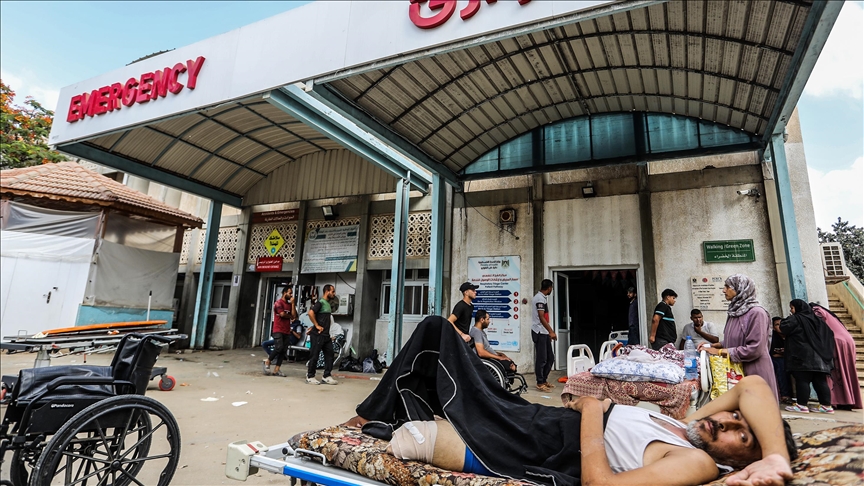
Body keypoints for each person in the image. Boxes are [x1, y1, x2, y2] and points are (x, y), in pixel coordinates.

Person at [346, 316, 797, 486]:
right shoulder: (688, 428)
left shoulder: (699, 462)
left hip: (540, 441)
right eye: (737, 418)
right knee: (439, 333)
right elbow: (754, 389)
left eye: (743, 438)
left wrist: (593, 409)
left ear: (742, 464)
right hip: (538, 418)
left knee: (437, 348)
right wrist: (775, 455)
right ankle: (375, 413)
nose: (728, 422)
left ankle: (372, 419)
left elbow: (599, 484)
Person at [704, 274, 779, 402]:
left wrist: (720, 352)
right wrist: (717, 345)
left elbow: (755, 348)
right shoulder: (735, 312)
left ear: (740, 289)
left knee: (756, 408)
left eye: (728, 287)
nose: (723, 290)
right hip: (737, 370)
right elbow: (738, 338)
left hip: (754, 371)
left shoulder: (756, 313)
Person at [780, 300, 835, 414]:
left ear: (797, 308)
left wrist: (790, 317)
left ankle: (802, 405)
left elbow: (783, 327)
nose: (791, 310)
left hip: (803, 357)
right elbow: (829, 333)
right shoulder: (818, 320)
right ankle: (826, 406)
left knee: (802, 380)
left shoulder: (796, 319)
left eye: (792, 308)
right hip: (821, 357)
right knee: (820, 381)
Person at [810, 302, 863, 410]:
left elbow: (818, 323)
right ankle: (848, 400)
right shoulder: (830, 314)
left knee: (834, 371)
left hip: (836, 341)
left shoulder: (816, 310)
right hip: (847, 341)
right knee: (846, 371)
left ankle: (835, 400)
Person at [306, 284, 338, 385]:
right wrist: (316, 325)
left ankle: (326, 376)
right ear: (327, 291)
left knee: (330, 355)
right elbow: (311, 313)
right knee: (314, 355)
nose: (334, 294)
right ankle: (310, 376)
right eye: (332, 291)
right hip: (318, 335)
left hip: (326, 336)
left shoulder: (327, 304)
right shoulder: (320, 303)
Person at [265, 287, 297, 377]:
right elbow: (282, 314)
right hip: (278, 329)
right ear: (284, 293)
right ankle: (268, 361)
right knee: (279, 347)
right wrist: (290, 316)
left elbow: (294, 315)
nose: (291, 295)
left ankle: (277, 369)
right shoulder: (278, 303)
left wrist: (293, 304)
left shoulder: (289, 304)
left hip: (286, 330)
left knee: (283, 350)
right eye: (290, 293)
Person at [531, 279, 555, 391]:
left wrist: (548, 332)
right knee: (542, 358)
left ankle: (544, 380)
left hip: (544, 332)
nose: (551, 290)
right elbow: (541, 317)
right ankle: (540, 382)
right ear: (549, 288)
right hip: (539, 332)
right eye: (551, 288)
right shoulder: (539, 298)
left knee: (550, 358)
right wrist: (551, 331)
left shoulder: (542, 298)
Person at [770, 316, 793, 404]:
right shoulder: (773, 337)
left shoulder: (791, 335)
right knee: (780, 364)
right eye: (777, 325)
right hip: (778, 360)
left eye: (782, 324)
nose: (780, 326)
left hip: (791, 358)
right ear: (773, 328)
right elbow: (773, 354)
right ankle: (785, 395)